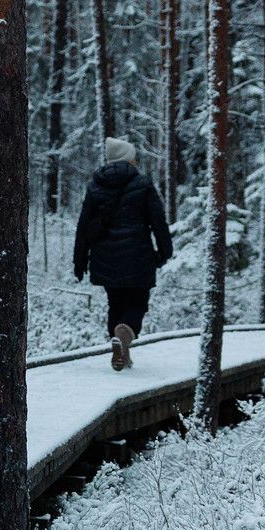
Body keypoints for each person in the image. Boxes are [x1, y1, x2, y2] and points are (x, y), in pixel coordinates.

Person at [73, 137, 174, 371]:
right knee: (137, 303)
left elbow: (83, 226)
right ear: (129, 159)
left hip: (104, 257)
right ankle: (125, 334)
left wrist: (79, 261)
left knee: (114, 303)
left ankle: (121, 351)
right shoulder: (143, 184)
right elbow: (158, 221)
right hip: (138, 256)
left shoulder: (95, 186)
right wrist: (165, 251)